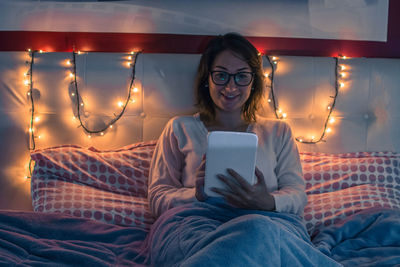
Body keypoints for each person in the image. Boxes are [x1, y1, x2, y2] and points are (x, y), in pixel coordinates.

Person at [145, 33, 342, 267]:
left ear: (253, 82)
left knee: (257, 231)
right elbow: (157, 197)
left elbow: (297, 195)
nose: (230, 86)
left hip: (265, 219)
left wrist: (267, 201)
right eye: (221, 75)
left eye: (241, 77)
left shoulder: (278, 132)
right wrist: (195, 195)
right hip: (196, 223)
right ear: (206, 79)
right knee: (252, 240)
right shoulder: (179, 128)